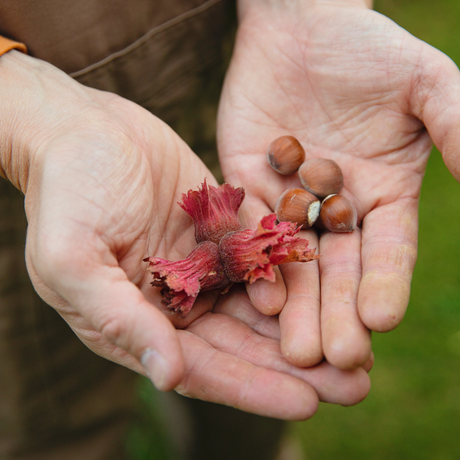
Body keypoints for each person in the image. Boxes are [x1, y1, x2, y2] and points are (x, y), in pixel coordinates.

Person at [0, 0, 459, 458]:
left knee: (254, 404)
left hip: (221, 77)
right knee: (60, 421)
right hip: (26, 176)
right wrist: (28, 116)